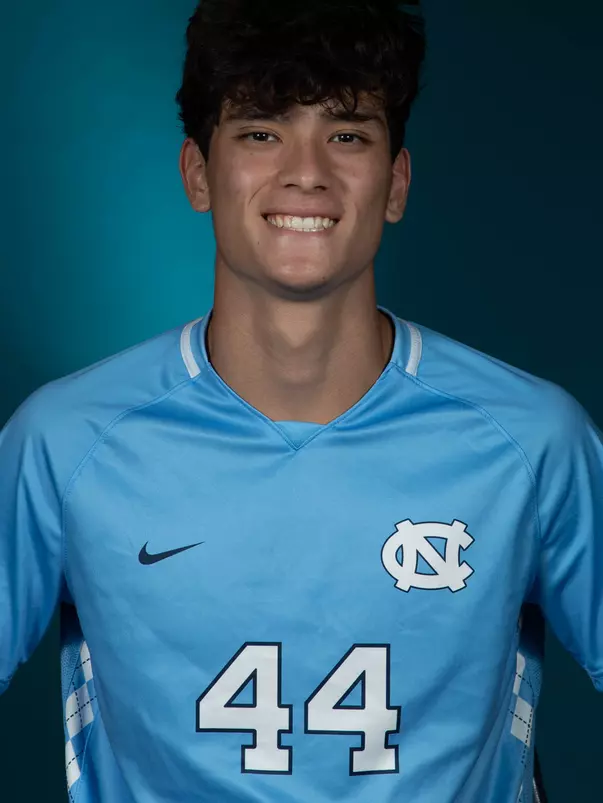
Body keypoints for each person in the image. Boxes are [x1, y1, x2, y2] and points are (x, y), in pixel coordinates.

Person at [0, 0, 601, 800]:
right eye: (260, 131)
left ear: (396, 182)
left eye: (346, 133)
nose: (306, 171)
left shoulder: (533, 441)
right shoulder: (63, 443)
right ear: (196, 174)